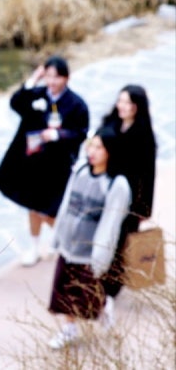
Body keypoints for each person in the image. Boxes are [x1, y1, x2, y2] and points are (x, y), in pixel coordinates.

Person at [0, 56, 89, 266]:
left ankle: (66, 242)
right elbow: (15, 102)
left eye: (57, 77)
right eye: (48, 76)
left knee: (51, 209)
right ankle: (35, 246)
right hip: (33, 161)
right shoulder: (37, 94)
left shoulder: (76, 104)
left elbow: (80, 133)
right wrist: (32, 80)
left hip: (57, 165)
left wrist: (57, 135)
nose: (52, 82)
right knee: (32, 206)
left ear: (66, 78)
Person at [47, 127, 131, 349]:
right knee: (64, 293)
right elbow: (67, 203)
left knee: (87, 295)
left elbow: (110, 225)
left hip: (89, 252)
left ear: (110, 151)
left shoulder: (116, 184)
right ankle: (69, 329)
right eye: (91, 145)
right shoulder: (81, 170)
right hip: (68, 246)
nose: (92, 151)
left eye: (99, 147)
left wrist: (100, 257)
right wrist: (57, 237)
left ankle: (105, 308)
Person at [98, 84, 157, 327]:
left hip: (130, 199)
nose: (122, 106)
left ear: (137, 107)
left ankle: (110, 293)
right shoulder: (111, 124)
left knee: (120, 245)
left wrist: (144, 208)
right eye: (120, 101)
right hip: (107, 192)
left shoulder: (143, 135)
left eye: (128, 102)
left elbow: (147, 175)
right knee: (104, 239)